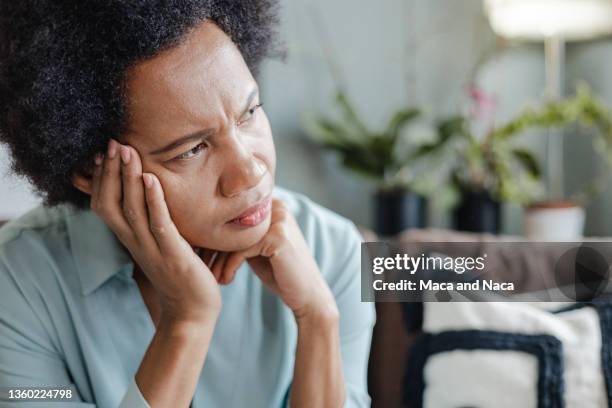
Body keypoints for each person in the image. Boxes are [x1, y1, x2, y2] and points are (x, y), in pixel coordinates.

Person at [0, 1, 375, 407]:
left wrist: (318, 318)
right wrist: (187, 320)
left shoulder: (335, 252)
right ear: (93, 173)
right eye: (192, 150)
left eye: (249, 113)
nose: (249, 173)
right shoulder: (18, 286)